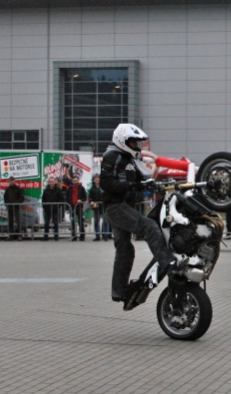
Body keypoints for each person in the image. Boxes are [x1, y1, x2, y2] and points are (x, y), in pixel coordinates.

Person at [100, 123, 177, 305]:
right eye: (133, 142)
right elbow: (106, 183)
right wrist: (132, 186)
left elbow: (139, 179)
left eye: (137, 142)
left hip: (123, 206)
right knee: (148, 226)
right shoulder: (112, 156)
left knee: (125, 249)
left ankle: (119, 291)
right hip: (115, 207)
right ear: (123, 141)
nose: (136, 145)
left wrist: (153, 184)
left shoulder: (128, 159)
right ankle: (167, 263)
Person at [88, 174, 111, 241]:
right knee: (96, 221)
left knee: (105, 221)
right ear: (94, 180)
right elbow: (90, 197)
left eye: (98, 178)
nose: (97, 180)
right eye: (95, 179)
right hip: (96, 206)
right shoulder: (92, 188)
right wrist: (92, 202)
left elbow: (107, 195)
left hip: (103, 205)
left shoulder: (104, 187)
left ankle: (105, 235)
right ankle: (97, 235)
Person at [41, 176, 64, 241]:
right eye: (50, 181)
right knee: (46, 223)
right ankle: (46, 236)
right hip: (47, 209)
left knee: (56, 223)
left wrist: (58, 206)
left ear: (55, 182)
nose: (51, 183)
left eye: (52, 181)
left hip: (55, 209)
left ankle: (56, 236)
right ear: (48, 182)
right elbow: (43, 199)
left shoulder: (58, 190)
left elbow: (61, 199)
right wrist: (44, 207)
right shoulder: (46, 190)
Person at [65, 177, 88, 241]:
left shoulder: (81, 188)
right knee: (73, 222)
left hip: (79, 207)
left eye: (76, 180)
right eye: (74, 180)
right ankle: (73, 235)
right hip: (72, 207)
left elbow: (85, 197)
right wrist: (67, 207)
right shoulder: (69, 188)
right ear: (72, 181)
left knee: (81, 222)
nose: (75, 182)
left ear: (78, 181)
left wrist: (81, 200)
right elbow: (67, 197)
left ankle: (82, 235)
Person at [3, 176, 25, 240]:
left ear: (14, 181)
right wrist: (6, 204)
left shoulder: (18, 188)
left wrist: (17, 203)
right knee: (10, 222)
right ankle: (11, 235)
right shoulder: (7, 189)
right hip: (10, 207)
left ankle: (20, 235)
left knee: (18, 221)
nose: (11, 181)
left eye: (12, 180)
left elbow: (22, 197)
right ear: (9, 181)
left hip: (16, 207)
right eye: (10, 180)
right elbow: (5, 197)